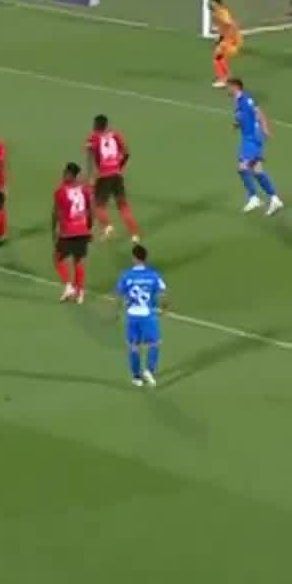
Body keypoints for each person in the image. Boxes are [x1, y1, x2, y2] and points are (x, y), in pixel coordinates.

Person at [113, 245, 167, 387]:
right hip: (147, 315)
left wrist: (116, 311)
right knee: (153, 343)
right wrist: (163, 309)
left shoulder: (125, 275)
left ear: (134, 258)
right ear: (145, 258)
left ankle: (136, 377)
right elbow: (163, 294)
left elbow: (118, 295)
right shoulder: (153, 275)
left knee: (133, 346)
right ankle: (149, 370)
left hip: (132, 316)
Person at [228, 78, 282, 215]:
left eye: (229, 87)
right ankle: (274, 199)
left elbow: (259, 114)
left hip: (252, 138)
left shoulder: (246, 99)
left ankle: (253, 198)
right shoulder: (237, 101)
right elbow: (243, 116)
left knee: (242, 168)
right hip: (246, 139)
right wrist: (236, 124)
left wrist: (265, 130)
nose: (227, 89)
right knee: (257, 171)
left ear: (235, 87)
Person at [85, 114, 141, 241]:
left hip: (102, 176)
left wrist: (90, 178)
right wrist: (119, 167)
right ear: (106, 125)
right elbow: (126, 153)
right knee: (122, 206)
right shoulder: (115, 135)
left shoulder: (93, 137)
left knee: (98, 206)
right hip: (116, 175)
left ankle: (107, 227)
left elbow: (90, 159)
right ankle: (134, 234)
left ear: (96, 125)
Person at [51, 163, 93, 302]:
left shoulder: (60, 191)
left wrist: (54, 230)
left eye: (65, 173)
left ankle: (69, 286)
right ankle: (79, 292)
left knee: (56, 258)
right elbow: (89, 210)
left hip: (68, 232)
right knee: (78, 261)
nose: (64, 175)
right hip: (82, 230)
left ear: (69, 175)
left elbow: (56, 212)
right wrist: (88, 229)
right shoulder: (84, 189)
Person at [209, 0, 240, 86]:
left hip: (229, 39)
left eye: (211, 1)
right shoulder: (216, 12)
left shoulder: (222, 13)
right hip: (226, 38)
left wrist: (231, 41)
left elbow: (229, 24)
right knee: (220, 58)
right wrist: (219, 37)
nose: (209, 3)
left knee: (216, 58)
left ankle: (222, 80)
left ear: (216, 2)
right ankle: (227, 77)